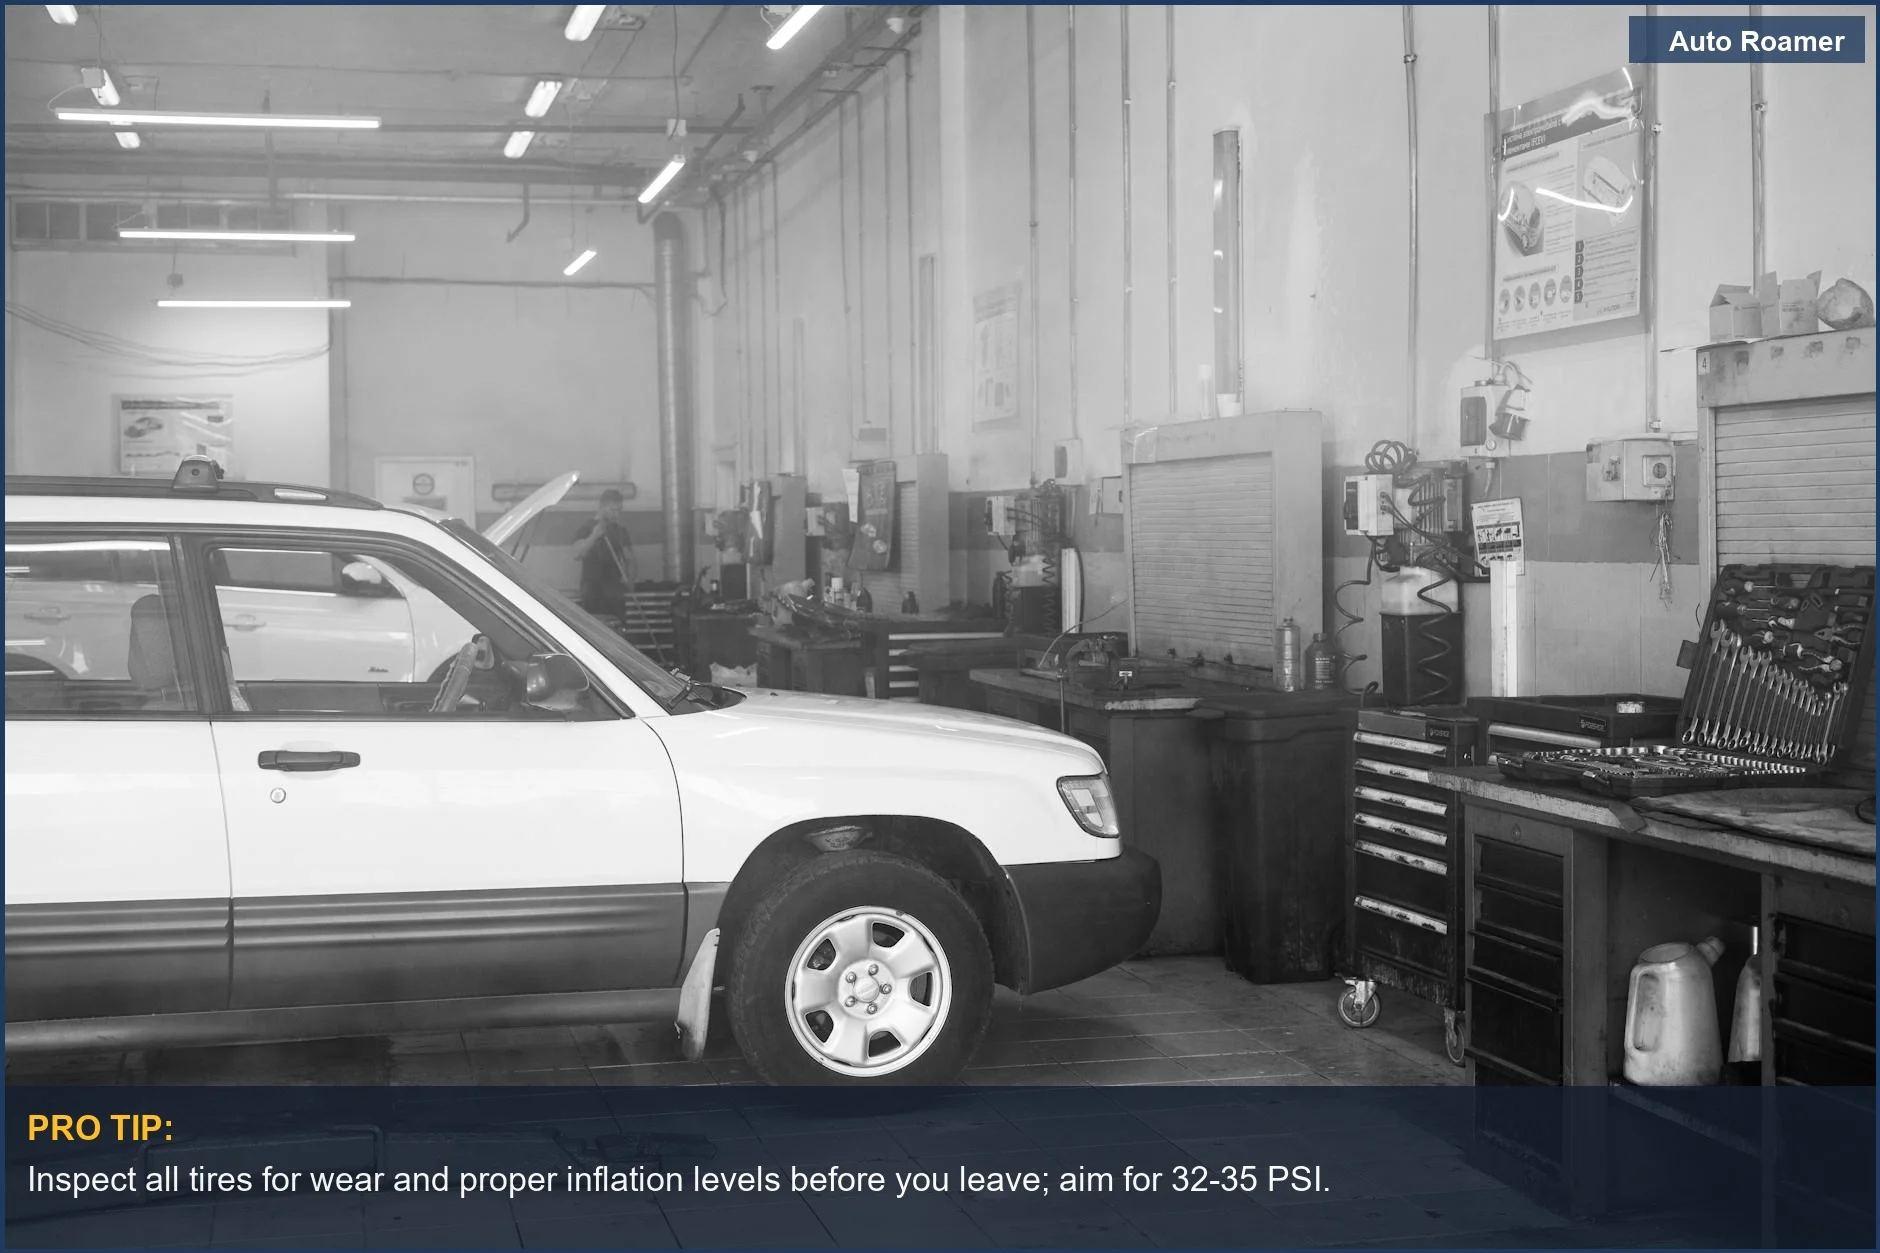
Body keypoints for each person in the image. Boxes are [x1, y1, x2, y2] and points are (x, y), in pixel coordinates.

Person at [571, 489, 634, 617]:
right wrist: (594, 536)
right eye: (613, 510)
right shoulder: (587, 528)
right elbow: (577, 554)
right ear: (602, 508)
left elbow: (630, 558)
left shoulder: (621, 531)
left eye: (619, 510)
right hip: (591, 591)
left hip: (615, 592)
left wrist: (630, 578)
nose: (617, 515)